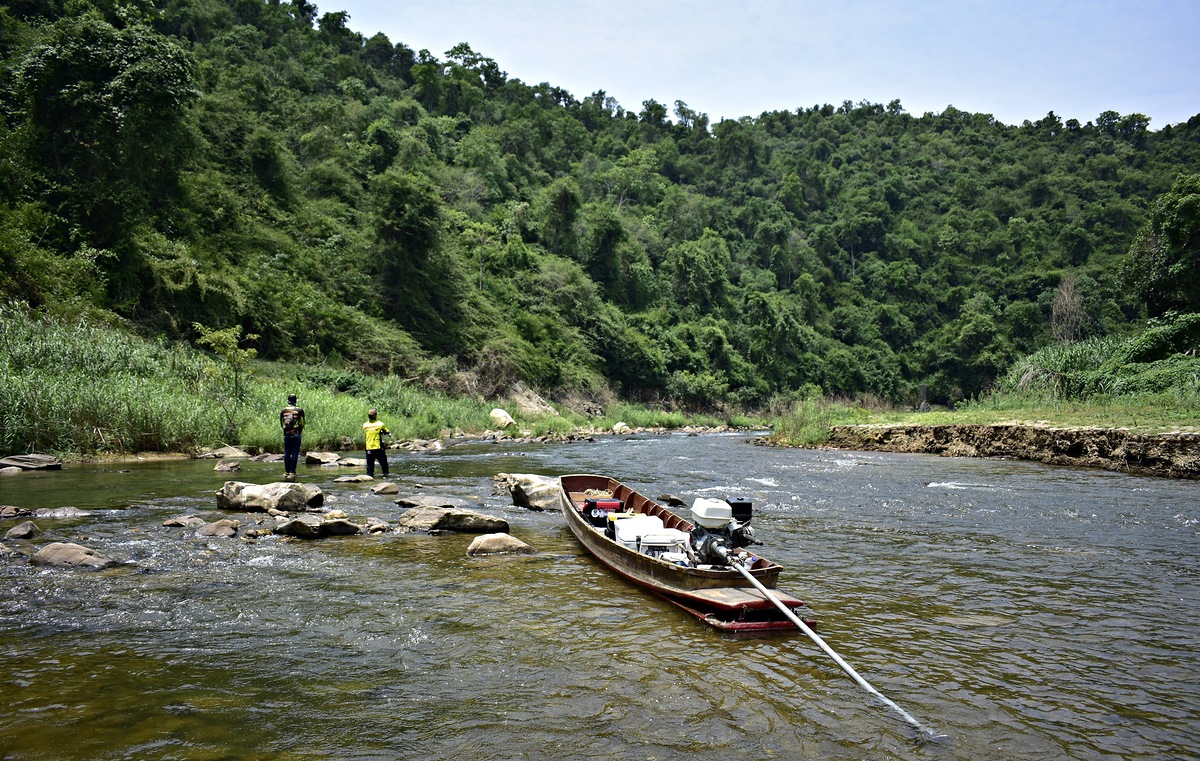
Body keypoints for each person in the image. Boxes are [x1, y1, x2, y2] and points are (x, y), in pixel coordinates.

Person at [280, 393, 305, 478]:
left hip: (287, 434)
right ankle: (292, 472)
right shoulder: (300, 410)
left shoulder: (283, 410)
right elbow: (302, 423)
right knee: (294, 453)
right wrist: (299, 431)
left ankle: (286, 472)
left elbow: (282, 423)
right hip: (296, 434)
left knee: (287, 453)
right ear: (295, 401)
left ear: (288, 401)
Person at [362, 408, 391, 478]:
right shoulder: (380, 424)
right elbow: (387, 431)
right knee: (384, 464)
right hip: (378, 448)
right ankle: (386, 477)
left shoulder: (365, 425)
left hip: (368, 448)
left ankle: (370, 479)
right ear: (375, 416)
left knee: (370, 466)